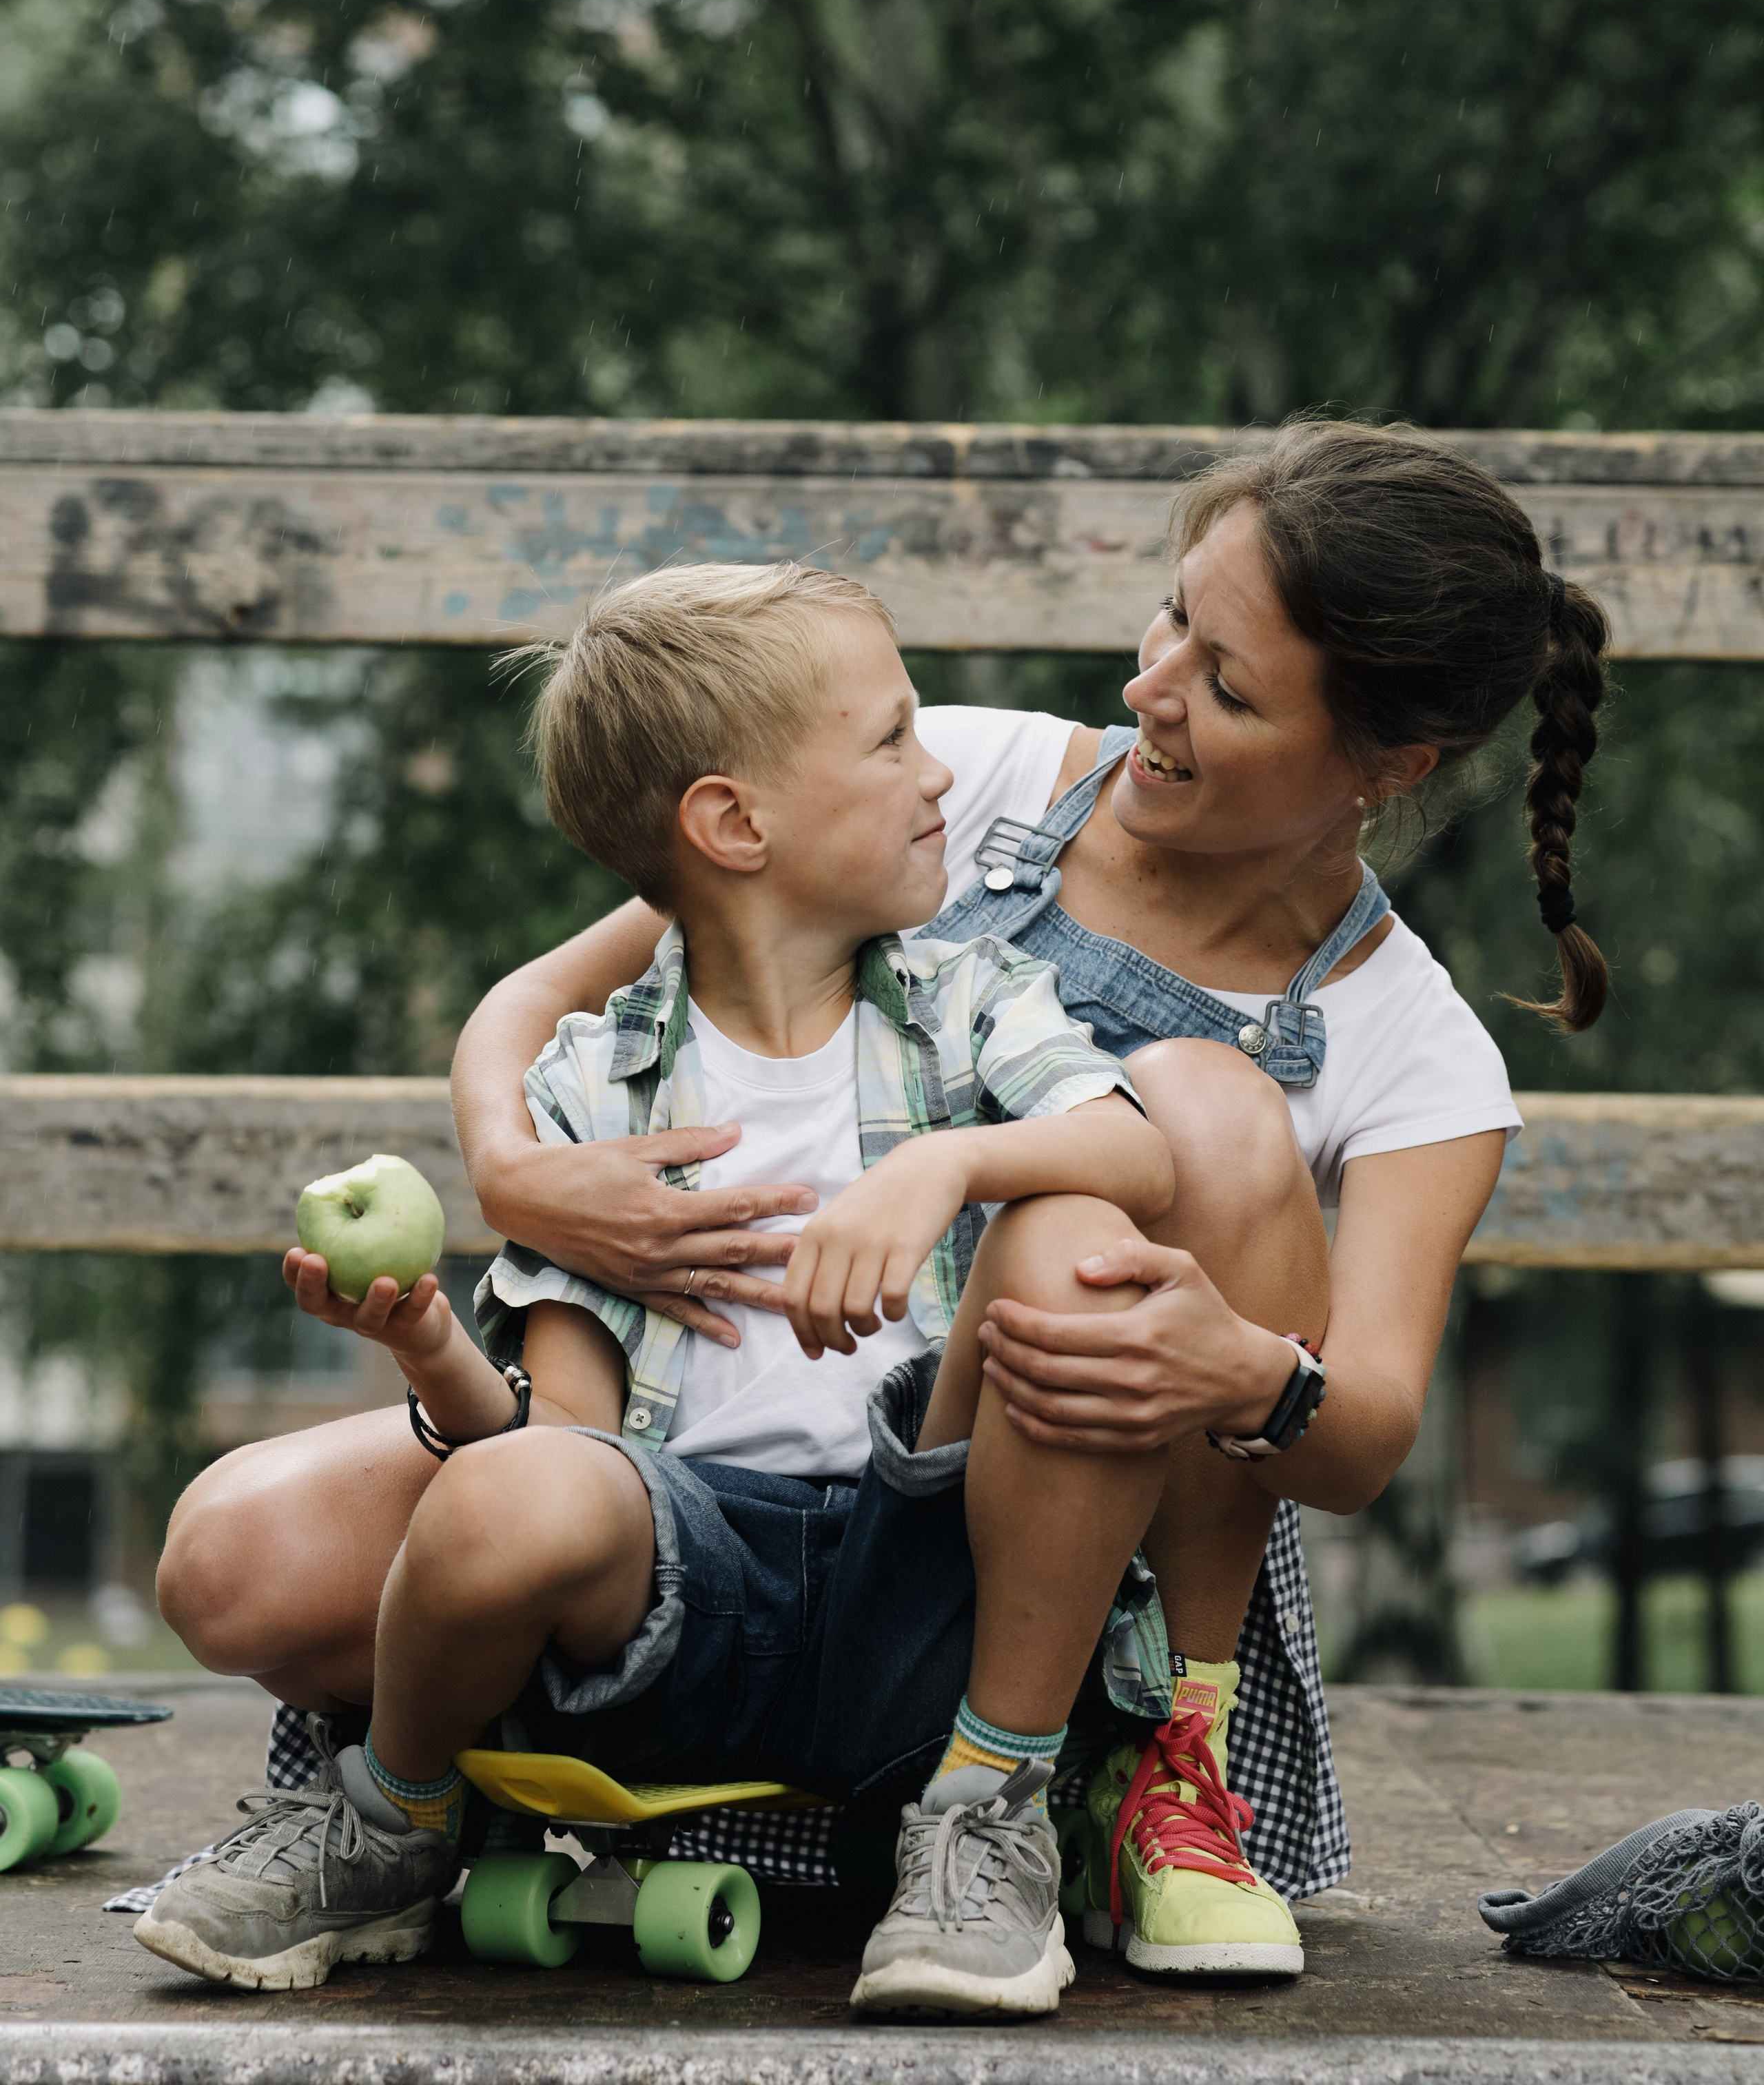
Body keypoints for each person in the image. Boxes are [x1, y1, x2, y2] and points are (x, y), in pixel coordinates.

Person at [158, 418, 1610, 1983]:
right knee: (239, 1559)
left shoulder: (1413, 1047)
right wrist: (520, 1181)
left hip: (1030, 1490)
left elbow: (1367, 1435)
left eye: (1228, 685)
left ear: (1385, 767)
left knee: (1192, 1109)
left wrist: (1234, 1365)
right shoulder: (955, 780)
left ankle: (1126, 1772)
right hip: (703, 1450)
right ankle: (519, 1771)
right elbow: (557, 1000)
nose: (1149, 685)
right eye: (1173, 613)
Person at [141, 559, 1203, 2015]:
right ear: (732, 822)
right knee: (510, 1490)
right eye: (891, 739)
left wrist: (947, 1171)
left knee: (1077, 1234)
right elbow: (569, 1455)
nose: (936, 771)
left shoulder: (969, 1006)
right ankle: (393, 1819)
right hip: (691, 1599)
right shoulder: (595, 1088)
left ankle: (986, 1808)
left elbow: (1139, 1152)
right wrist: (441, 1353)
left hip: (937, 1575)